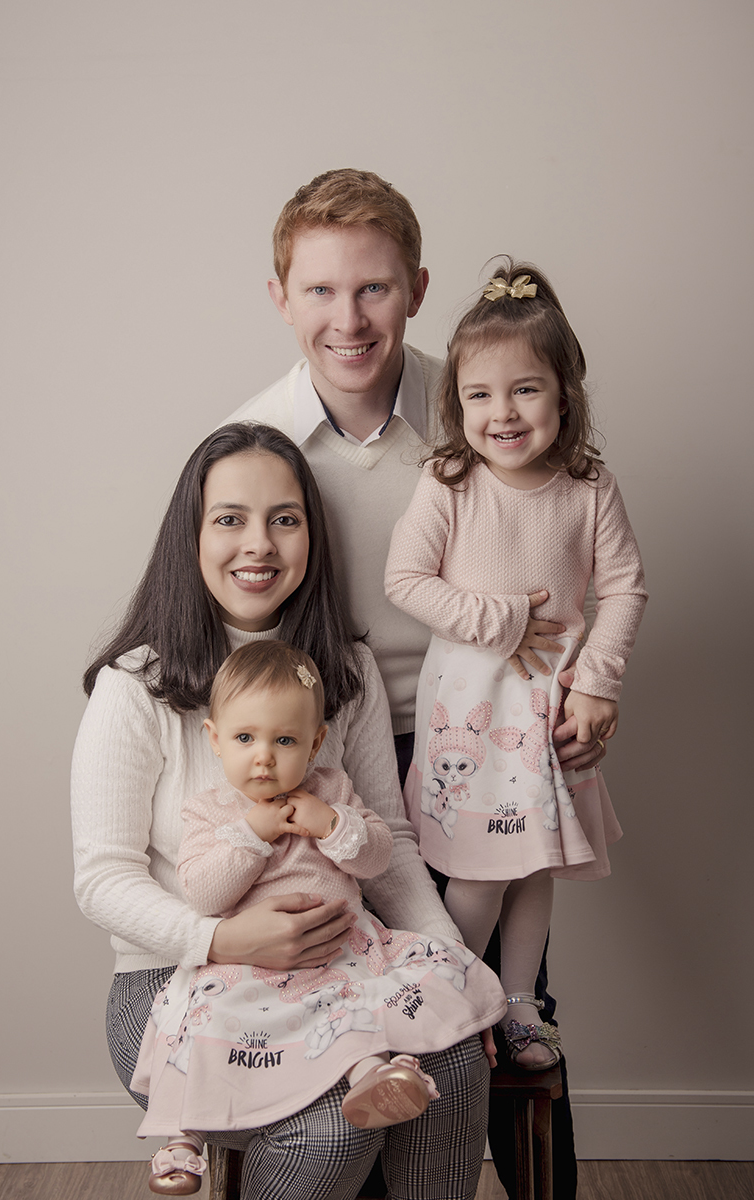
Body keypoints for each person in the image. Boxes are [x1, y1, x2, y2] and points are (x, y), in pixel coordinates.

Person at [224, 168, 606, 1195]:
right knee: (360, 1021)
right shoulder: (250, 444)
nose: (347, 319)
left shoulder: (476, 408)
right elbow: (231, 627)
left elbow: (578, 570)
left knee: (509, 1008)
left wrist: (585, 696)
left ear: (418, 287)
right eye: (318, 290)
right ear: (279, 297)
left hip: (484, 744)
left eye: (374, 289)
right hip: (331, 765)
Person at [71, 421, 495, 1200]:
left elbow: (390, 841)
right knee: (334, 1124)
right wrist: (225, 937)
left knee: (458, 1062)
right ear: (191, 537)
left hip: (340, 968)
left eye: (285, 519)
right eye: (229, 519)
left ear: (311, 535)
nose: (258, 544)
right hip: (180, 982)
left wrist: (449, 960)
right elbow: (103, 878)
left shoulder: (348, 670)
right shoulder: (137, 685)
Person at [385, 260, 647, 1070]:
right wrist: (503, 620)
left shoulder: (586, 486)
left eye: (525, 390)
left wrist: (598, 682)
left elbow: (626, 586)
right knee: (477, 866)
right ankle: (458, 997)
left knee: (534, 862)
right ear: (456, 401)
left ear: (564, 394)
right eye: (479, 394)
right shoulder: (448, 481)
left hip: (551, 707)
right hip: (474, 705)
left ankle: (523, 1003)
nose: (502, 413)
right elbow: (404, 581)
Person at [131, 642, 503, 1192]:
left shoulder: (330, 789)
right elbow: (203, 893)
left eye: (284, 740)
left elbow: (378, 855)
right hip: (249, 966)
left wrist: (331, 824)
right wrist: (253, 836)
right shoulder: (211, 811)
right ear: (214, 739)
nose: (264, 756)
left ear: (315, 743)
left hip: (342, 951)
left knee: (363, 999)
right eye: (244, 739)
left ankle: (371, 1075)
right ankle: (182, 1136)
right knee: (200, 1019)